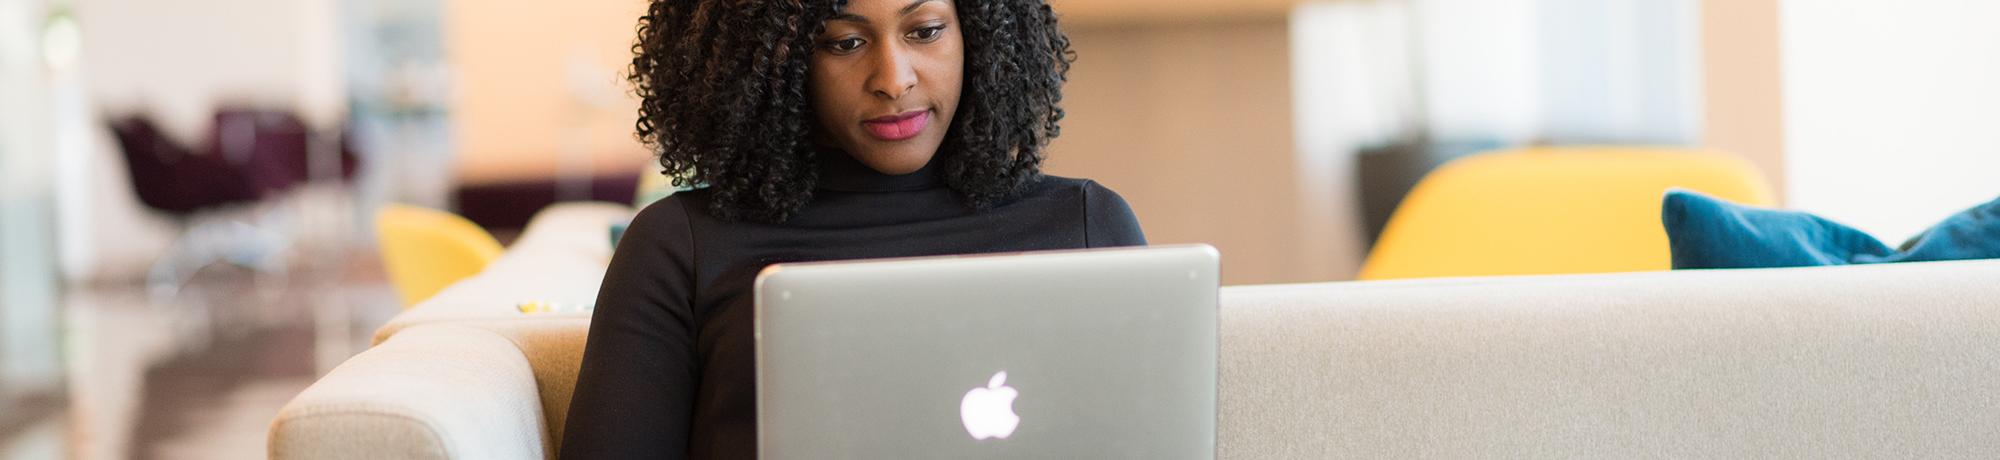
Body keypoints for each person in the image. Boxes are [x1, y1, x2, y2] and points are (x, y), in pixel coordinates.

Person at [560, 0, 1145, 457]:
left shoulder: (1088, 225)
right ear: (777, 59)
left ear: (981, 36)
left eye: (925, 31)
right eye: (846, 42)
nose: (893, 78)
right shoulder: (679, 247)